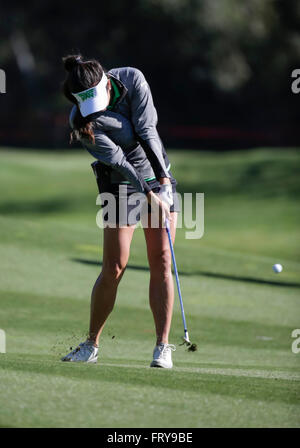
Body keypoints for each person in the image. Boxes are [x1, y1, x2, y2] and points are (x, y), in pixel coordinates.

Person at [61, 54, 180, 368]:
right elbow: (119, 162)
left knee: (162, 260)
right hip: (119, 185)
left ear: (104, 82)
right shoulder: (80, 120)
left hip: (157, 171)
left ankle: (162, 347)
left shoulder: (131, 78)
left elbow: (146, 130)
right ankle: (91, 345)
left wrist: (164, 183)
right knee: (115, 266)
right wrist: (148, 192)